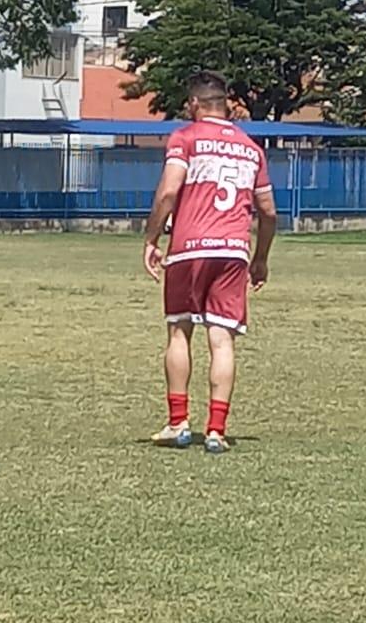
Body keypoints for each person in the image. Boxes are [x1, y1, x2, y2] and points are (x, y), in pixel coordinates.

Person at [142, 71, 277, 455]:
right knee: (222, 340)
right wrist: (261, 258)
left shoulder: (185, 137)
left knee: (179, 332)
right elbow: (268, 212)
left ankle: (178, 423)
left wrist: (151, 238)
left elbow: (169, 192)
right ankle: (216, 430)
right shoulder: (252, 148)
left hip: (189, 249)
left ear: (195, 105)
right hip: (234, 250)